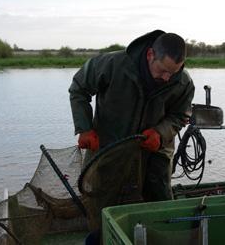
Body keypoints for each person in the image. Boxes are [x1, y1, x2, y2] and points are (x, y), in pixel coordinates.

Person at [69, 30, 195, 232]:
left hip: (155, 152)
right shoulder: (111, 64)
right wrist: (84, 128)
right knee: (102, 203)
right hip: (109, 148)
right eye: (162, 70)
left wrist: (160, 133)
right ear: (150, 55)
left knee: (160, 203)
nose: (167, 77)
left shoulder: (183, 82)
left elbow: (180, 116)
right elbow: (78, 89)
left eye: (173, 72)